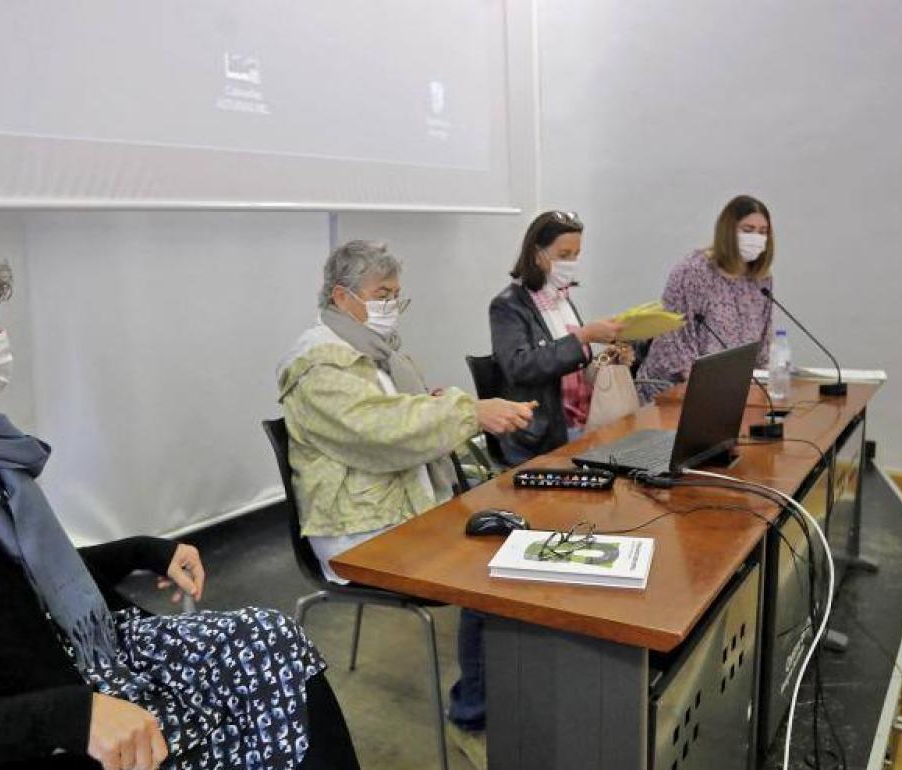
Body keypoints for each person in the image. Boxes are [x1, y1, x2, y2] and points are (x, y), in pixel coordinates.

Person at [0, 226, 358, 770]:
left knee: (270, 640)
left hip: (70, 667)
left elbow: (13, 587)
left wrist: (142, 550)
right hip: (41, 716)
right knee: (264, 689)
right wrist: (68, 717)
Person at [276, 240, 534, 768]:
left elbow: (397, 415)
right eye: (382, 294)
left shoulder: (372, 350)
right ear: (342, 297)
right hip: (358, 531)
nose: (392, 305)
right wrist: (467, 412)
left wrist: (438, 407)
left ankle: (505, 693)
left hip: (399, 507)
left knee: (509, 537)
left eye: (397, 294)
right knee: (493, 570)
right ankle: (473, 719)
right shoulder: (319, 365)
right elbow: (382, 431)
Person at [489, 210, 628, 465]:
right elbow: (519, 367)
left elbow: (573, 365)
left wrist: (607, 358)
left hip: (580, 419)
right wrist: (583, 336)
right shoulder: (508, 305)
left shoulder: (561, 298)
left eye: (576, 254)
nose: (571, 263)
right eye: (564, 255)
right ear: (536, 254)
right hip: (541, 434)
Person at [635, 195, 775, 401]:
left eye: (763, 232)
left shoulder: (760, 279)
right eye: (748, 230)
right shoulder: (694, 271)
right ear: (728, 231)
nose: (756, 238)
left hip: (733, 392)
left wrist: (762, 384)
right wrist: (708, 390)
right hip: (675, 393)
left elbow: (762, 345)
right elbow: (674, 342)